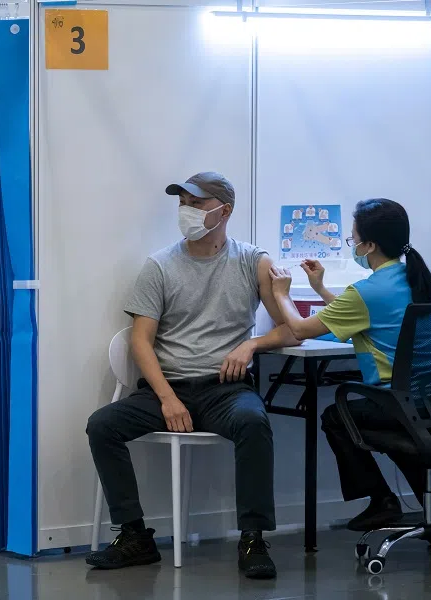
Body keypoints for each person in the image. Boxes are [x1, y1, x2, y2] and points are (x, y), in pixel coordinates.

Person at [85, 172, 299, 579]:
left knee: (254, 423)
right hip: (169, 388)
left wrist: (251, 344)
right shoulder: (159, 266)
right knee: (102, 425)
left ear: (225, 210)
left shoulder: (255, 261)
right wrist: (166, 397)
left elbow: (288, 329)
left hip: (226, 388)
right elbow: (141, 342)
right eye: (183, 203)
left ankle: (252, 538)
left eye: (197, 204)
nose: (187, 211)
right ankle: (134, 536)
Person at [267, 198, 431, 531]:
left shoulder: (368, 290)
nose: (353, 245)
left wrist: (282, 294)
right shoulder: (411, 276)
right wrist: (320, 289)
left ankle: (380, 500)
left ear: (370, 244)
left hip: (410, 404)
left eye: (353, 239)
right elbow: (362, 316)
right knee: (400, 435)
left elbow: (300, 329)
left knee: (337, 417)